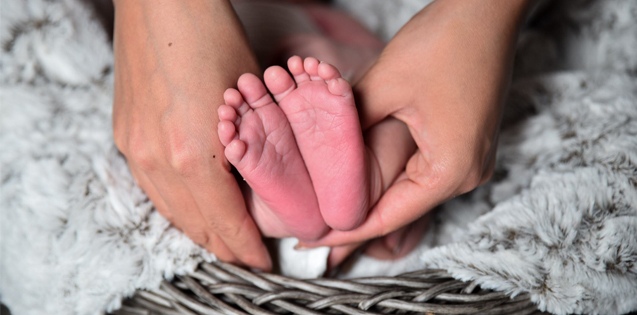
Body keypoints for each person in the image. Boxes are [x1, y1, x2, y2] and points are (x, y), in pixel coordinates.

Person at [112, 0, 538, 271]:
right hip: (297, 51)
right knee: (383, 110)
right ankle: (364, 179)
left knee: (226, 161)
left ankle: (275, 210)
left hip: (237, 53)